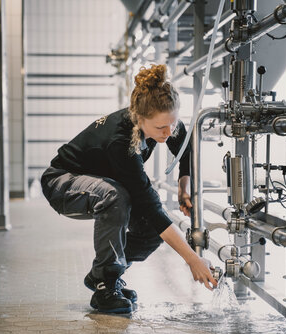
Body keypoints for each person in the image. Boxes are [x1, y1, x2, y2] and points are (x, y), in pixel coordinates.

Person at [41, 64, 218, 314]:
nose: (168, 133)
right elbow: (149, 203)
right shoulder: (121, 141)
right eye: (160, 129)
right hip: (61, 183)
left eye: (172, 123)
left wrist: (183, 188)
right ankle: (105, 285)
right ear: (140, 118)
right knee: (117, 196)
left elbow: (184, 148)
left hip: (98, 184)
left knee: (150, 229)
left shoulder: (163, 120)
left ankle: (103, 277)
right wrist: (193, 260)